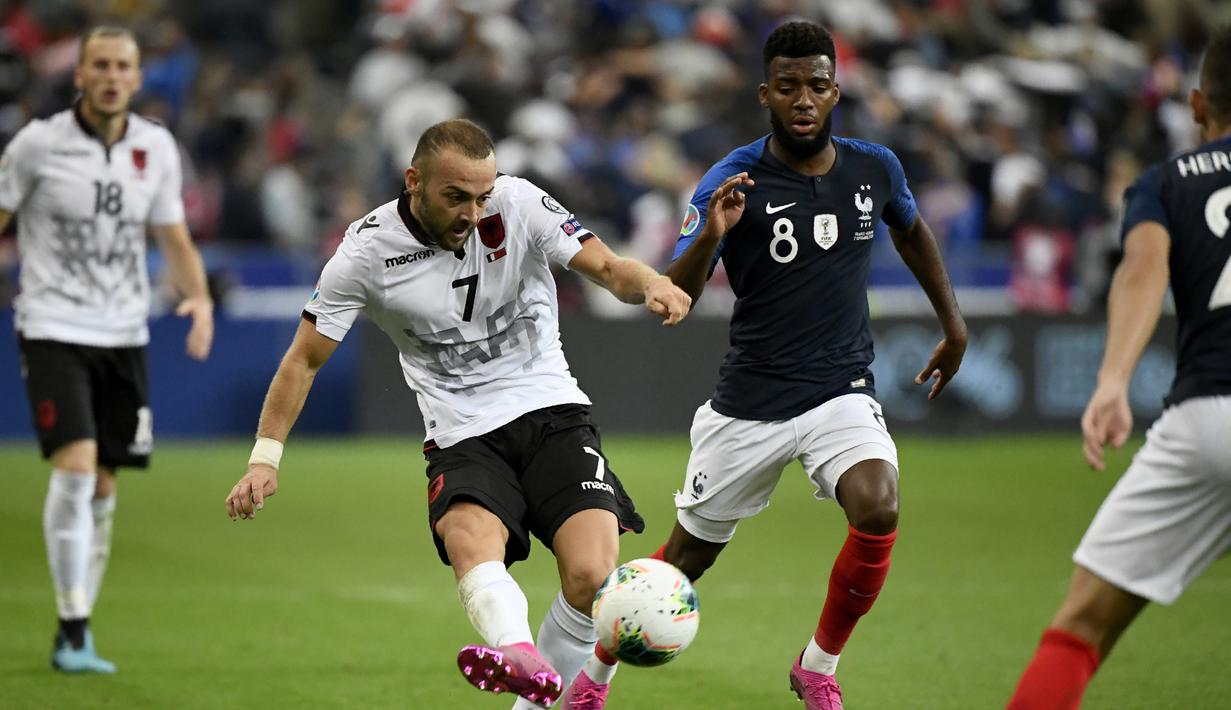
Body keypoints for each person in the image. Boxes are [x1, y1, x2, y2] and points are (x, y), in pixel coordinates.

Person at [559, 20, 967, 710]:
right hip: (748, 405)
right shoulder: (731, 179)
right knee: (685, 561)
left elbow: (912, 230)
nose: (802, 99)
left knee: (878, 505)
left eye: (815, 85)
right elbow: (675, 296)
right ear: (764, 94)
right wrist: (712, 234)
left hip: (840, 390)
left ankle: (816, 666)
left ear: (835, 90)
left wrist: (952, 325)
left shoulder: (875, 168)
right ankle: (592, 678)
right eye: (787, 87)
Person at [224, 118, 691, 709]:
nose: (472, 213)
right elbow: (303, 361)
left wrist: (651, 283)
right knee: (470, 537)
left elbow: (607, 267)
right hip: (463, 431)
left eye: (481, 196)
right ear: (413, 180)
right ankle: (518, 651)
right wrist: (265, 460)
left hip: (551, 408)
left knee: (593, 575)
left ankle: (532, 690)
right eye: (455, 197)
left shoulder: (520, 204)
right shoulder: (364, 253)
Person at [1006, 27, 1231, 710]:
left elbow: (1140, 269)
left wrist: (1111, 381)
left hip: (1208, 417)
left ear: (1195, 105)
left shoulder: (1165, 183)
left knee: (1080, 626)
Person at [0, 26, 214, 674]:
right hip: (54, 324)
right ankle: (71, 629)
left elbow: (172, 236)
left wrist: (198, 300)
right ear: (79, 75)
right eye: (101, 65)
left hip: (125, 331)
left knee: (102, 483)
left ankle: (79, 628)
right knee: (75, 465)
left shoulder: (155, 147)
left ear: (137, 76)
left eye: (124, 65)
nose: (113, 75)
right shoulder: (37, 145)